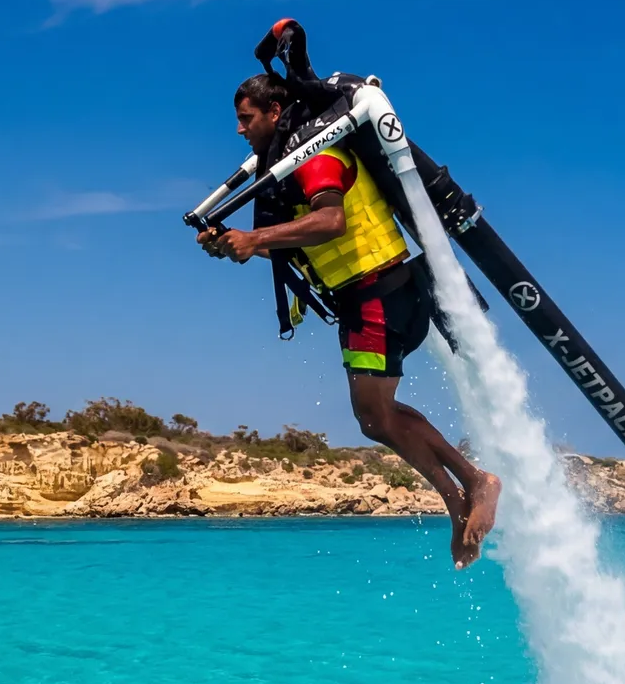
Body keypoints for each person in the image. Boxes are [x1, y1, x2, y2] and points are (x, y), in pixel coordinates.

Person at [197, 74, 500, 568]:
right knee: (376, 418)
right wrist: (235, 245)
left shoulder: (315, 156)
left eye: (246, 118)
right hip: (365, 300)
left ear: (275, 113)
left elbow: (331, 221)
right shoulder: (288, 165)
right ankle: (465, 488)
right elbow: (299, 242)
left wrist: (254, 240)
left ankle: (471, 486)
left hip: (380, 292)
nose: (238, 130)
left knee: (375, 416)